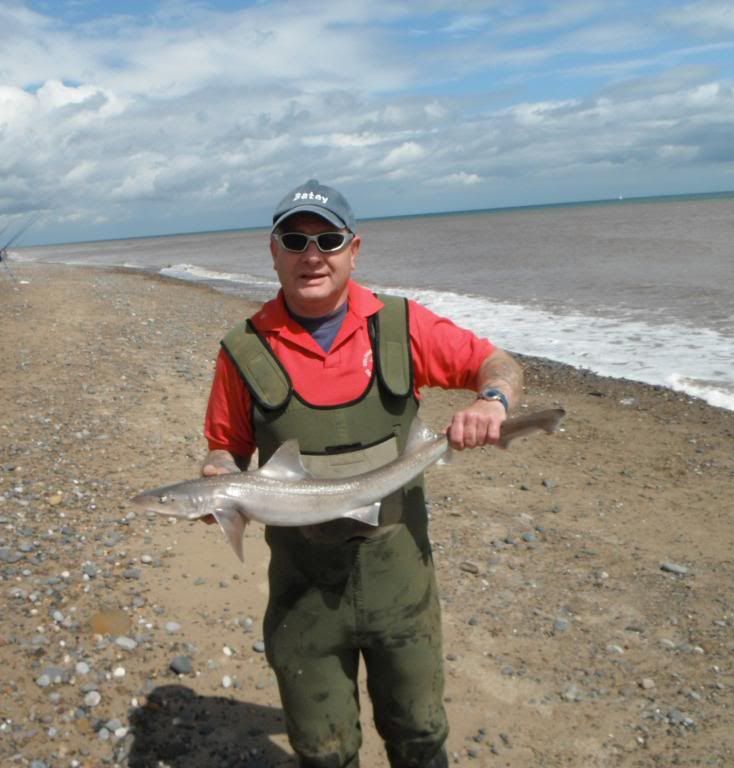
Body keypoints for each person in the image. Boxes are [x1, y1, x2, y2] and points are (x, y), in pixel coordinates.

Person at [202, 179, 524, 767]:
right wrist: (216, 478)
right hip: (304, 596)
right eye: (294, 239)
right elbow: (226, 451)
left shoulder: (401, 327)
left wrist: (493, 403)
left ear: (355, 249)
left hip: (400, 583)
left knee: (421, 737)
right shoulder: (243, 351)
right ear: (272, 251)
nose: (312, 255)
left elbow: (497, 363)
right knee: (324, 752)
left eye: (328, 239)